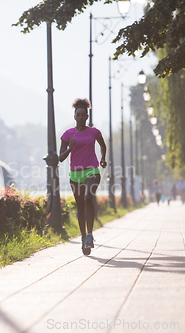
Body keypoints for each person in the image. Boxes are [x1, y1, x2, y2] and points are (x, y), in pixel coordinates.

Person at [59, 98, 107, 255]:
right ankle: (83, 238)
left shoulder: (94, 132)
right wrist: (69, 149)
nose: (80, 117)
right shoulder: (67, 134)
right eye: (77, 115)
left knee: (88, 198)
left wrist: (103, 159)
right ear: (74, 116)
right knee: (80, 207)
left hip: (92, 170)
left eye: (83, 115)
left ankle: (89, 235)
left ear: (87, 117)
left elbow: (102, 145)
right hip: (75, 174)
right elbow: (60, 157)